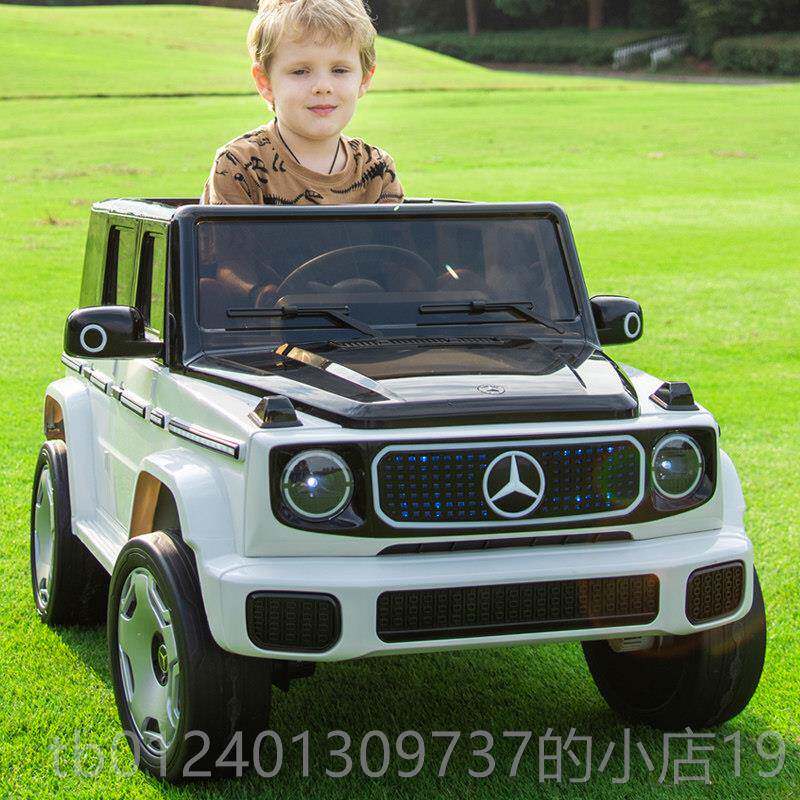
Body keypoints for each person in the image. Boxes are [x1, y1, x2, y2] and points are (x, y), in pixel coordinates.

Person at [201, 0, 404, 206]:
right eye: (300, 71)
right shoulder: (238, 165)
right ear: (265, 82)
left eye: (339, 70)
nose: (323, 87)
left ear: (364, 79)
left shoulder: (378, 170)